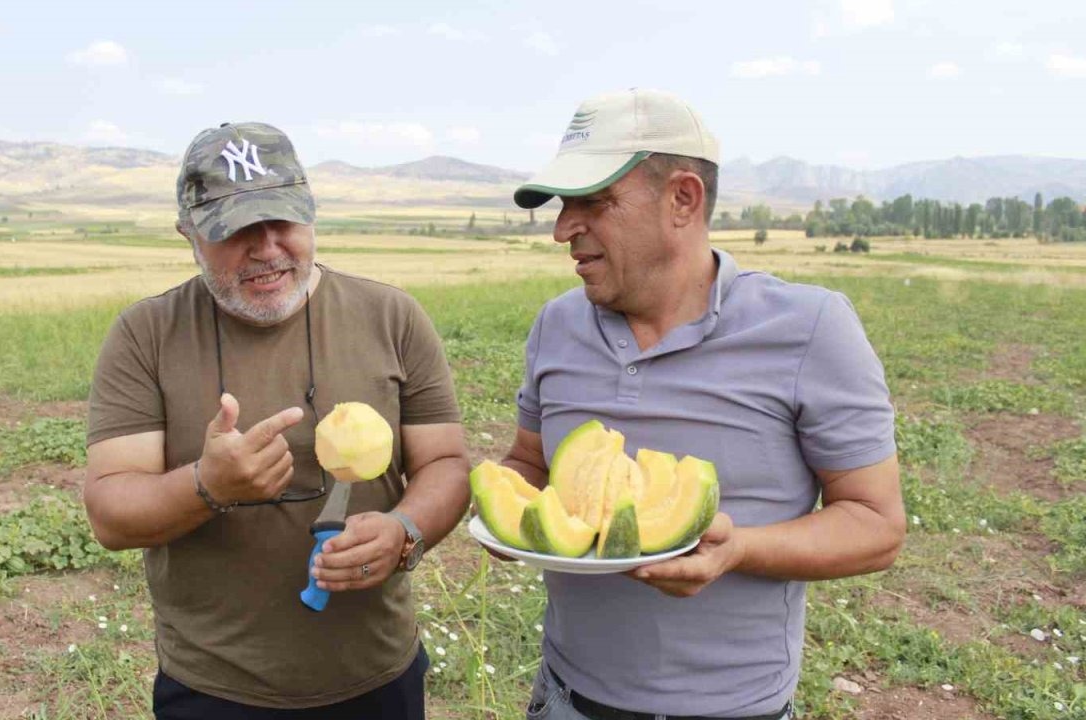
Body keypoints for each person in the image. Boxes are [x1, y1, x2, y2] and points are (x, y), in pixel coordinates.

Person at [499, 89, 906, 720]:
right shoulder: (556, 324)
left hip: (736, 708)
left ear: (682, 199)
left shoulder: (810, 328)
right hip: (564, 698)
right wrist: (504, 508)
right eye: (560, 206)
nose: (563, 229)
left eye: (592, 203)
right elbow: (529, 461)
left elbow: (876, 527)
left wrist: (739, 547)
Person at [82, 121, 471, 719]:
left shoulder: (392, 317)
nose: (266, 249)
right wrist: (207, 486)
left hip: (377, 674)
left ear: (311, 212)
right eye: (235, 230)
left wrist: (406, 533)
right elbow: (111, 512)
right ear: (188, 233)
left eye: (283, 221)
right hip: (215, 688)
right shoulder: (146, 336)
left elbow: (444, 463)